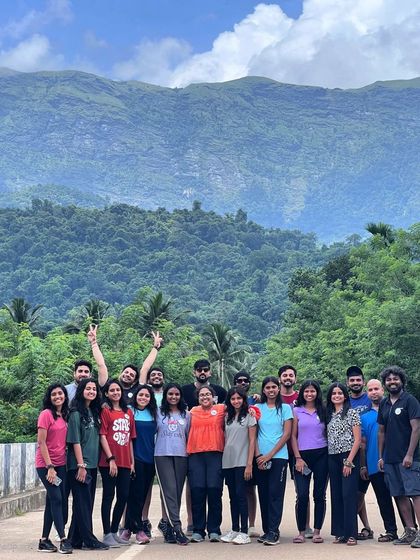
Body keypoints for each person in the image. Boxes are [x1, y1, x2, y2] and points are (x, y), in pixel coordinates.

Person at [378, 365, 420, 547]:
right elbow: (381, 432)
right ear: (385, 383)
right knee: (399, 495)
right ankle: (410, 532)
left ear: (402, 380)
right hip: (390, 458)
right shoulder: (384, 404)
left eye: (395, 379)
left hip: (409, 458)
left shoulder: (410, 401)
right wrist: (381, 456)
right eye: (389, 379)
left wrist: (409, 454)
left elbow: (416, 428)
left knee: (416, 494)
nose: (392, 382)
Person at [66, 378, 108, 550]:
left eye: (94, 389)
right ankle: (89, 539)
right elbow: (75, 441)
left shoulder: (93, 412)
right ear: (81, 390)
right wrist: (81, 465)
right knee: (83, 503)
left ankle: (75, 539)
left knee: (84, 503)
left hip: (91, 464)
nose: (91, 391)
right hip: (79, 466)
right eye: (88, 388)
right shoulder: (76, 413)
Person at [255, 376, 293, 545]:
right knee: (263, 494)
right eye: (267, 387)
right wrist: (258, 456)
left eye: (273, 387)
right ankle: (266, 530)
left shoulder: (285, 408)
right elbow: (253, 434)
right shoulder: (257, 408)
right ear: (263, 390)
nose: (271, 390)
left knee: (275, 494)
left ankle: (274, 531)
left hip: (278, 457)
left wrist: (269, 455)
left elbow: (287, 434)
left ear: (278, 389)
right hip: (260, 458)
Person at [359, 379, 398, 542]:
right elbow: (362, 444)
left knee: (402, 497)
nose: (374, 392)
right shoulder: (364, 416)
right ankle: (391, 531)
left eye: (376, 388)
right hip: (374, 463)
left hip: (396, 462)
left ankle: (412, 529)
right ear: (367, 393)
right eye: (370, 390)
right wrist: (363, 465)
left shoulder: (393, 409)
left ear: (383, 390)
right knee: (383, 499)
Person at [36, 383, 72, 554]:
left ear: (65, 396)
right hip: (46, 466)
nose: (57, 396)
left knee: (53, 500)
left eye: (60, 393)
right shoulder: (46, 414)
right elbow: (41, 442)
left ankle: (44, 540)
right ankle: (63, 539)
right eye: (54, 394)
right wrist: (50, 466)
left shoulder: (63, 415)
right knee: (57, 498)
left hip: (61, 465)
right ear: (49, 398)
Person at [99, 379, 136, 548]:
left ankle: (114, 531)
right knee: (108, 496)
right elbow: (103, 435)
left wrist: (132, 462)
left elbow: (129, 440)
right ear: (106, 393)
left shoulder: (128, 412)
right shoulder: (105, 411)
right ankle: (107, 533)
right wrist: (110, 459)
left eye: (118, 390)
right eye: (111, 390)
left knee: (123, 496)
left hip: (125, 462)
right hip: (109, 462)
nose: (115, 392)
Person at [291, 380, 328, 544]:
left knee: (319, 495)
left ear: (317, 392)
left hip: (322, 454)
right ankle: (301, 531)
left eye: (312, 391)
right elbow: (292, 436)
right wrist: (298, 458)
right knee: (302, 495)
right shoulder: (296, 410)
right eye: (306, 391)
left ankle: (317, 531)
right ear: (302, 393)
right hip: (302, 456)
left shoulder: (324, 410)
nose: (309, 394)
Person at [187, 385, 225, 542]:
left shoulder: (222, 409)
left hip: (216, 454)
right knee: (197, 491)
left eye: (208, 394)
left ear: (213, 396)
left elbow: (242, 405)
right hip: (195, 455)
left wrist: (253, 404)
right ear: (198, 397)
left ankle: (214, 529)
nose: (204, 397)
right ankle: (198, 530)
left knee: (215, 491)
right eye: (202, 395)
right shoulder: (192, 412)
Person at [155, 383, 191, 545]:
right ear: (165, 396)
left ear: (180, 396)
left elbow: (189, 436)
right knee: (169, 489)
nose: (173, 397)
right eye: (170, 394)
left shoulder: (187, 415)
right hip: (162, 455)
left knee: (175, 492)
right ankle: (177, 527)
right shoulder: (158, 412)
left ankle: (167, 525)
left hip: (182, 455)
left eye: (176, 394)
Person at [121, 384, 157, 544]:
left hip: (150, 458)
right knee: (133, 495)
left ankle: (129, 528)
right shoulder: (129, 411)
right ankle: (138, 530)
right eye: (141, 395)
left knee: (142, 495)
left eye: (147, 396)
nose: (143, 398)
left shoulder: (154, 413)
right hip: (134, 459)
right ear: (135, 396)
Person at [326, 382, 361, 546]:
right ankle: (340, 533)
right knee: (336, 494)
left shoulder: (352, 413)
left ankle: (351, 533)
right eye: (334, 393)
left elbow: (358, 439)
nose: (337, 396)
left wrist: (349, 461)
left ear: (345, 396)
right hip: (332, 456)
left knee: (348, 495)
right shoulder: (328, 414)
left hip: (348, 456)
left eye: (340, 393)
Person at [221, 386, 256, 545]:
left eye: (239, 398)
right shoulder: (226, 416)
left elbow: (252, 441)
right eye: (233, 398)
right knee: (232, 497)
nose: (236, 401)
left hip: (242, 462)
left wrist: (249, 464)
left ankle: (244, 531)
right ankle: (234, 529)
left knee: (241, 496)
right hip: (228, 462)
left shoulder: (249, 416)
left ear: (243, 399)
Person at [346, 365, 373, 540]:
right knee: (355, 492)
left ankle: (348, 527)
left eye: (358, 380)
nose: (355, 383)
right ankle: (366, 528)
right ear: (347, 383)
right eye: (352, 380)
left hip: (370, 451)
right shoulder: (345, 401)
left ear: (363, 381)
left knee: (359, 493)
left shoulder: (371, 399)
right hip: (351, 452)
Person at [233, 371, 258, 537]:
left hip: (251, 451)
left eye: (245, 381)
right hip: (234, 453)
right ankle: (238, 524)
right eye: (239, 381)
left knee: (250, 489)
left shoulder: (256, 401)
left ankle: (251, 524)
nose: (243, 383)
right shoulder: (231, 401)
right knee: (235, 491)